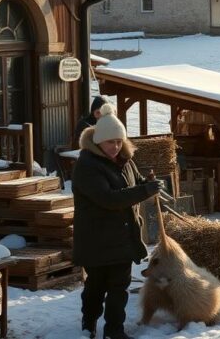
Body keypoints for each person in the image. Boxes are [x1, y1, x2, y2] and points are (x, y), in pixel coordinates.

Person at [72, 103, 162, 339]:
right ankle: (89, 322)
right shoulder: (87, 166)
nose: (116, 146)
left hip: (122, 236)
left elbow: (136, 181)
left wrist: (147, 184)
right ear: (98, 141)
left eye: (119, 141)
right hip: (96, 238)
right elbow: (108, 199)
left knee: (119, 287)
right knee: (96, 286)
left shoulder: (124, 160)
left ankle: (114, 331)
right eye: (110, 142)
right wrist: (144, 191)